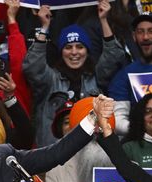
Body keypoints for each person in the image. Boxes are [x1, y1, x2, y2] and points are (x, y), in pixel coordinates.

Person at [23, 2, 126, 148]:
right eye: (68, 47)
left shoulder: (96, 77)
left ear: (87, 51)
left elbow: (115, 55)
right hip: (53, 156)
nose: (74, 52)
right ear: (61, 52)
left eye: (80, 46)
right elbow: (32, 66)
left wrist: (103, 19)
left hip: (92, 151)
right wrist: (44, 27)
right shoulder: (50, 79)